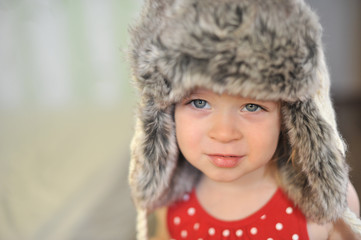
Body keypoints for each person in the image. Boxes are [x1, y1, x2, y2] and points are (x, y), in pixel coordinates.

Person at [128, 0, 361, 239]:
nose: (224, 133)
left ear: (289, 117)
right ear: (165, 114)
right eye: (199, 103)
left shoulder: (329, 213)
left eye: (252, 106)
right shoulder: (169, 203)